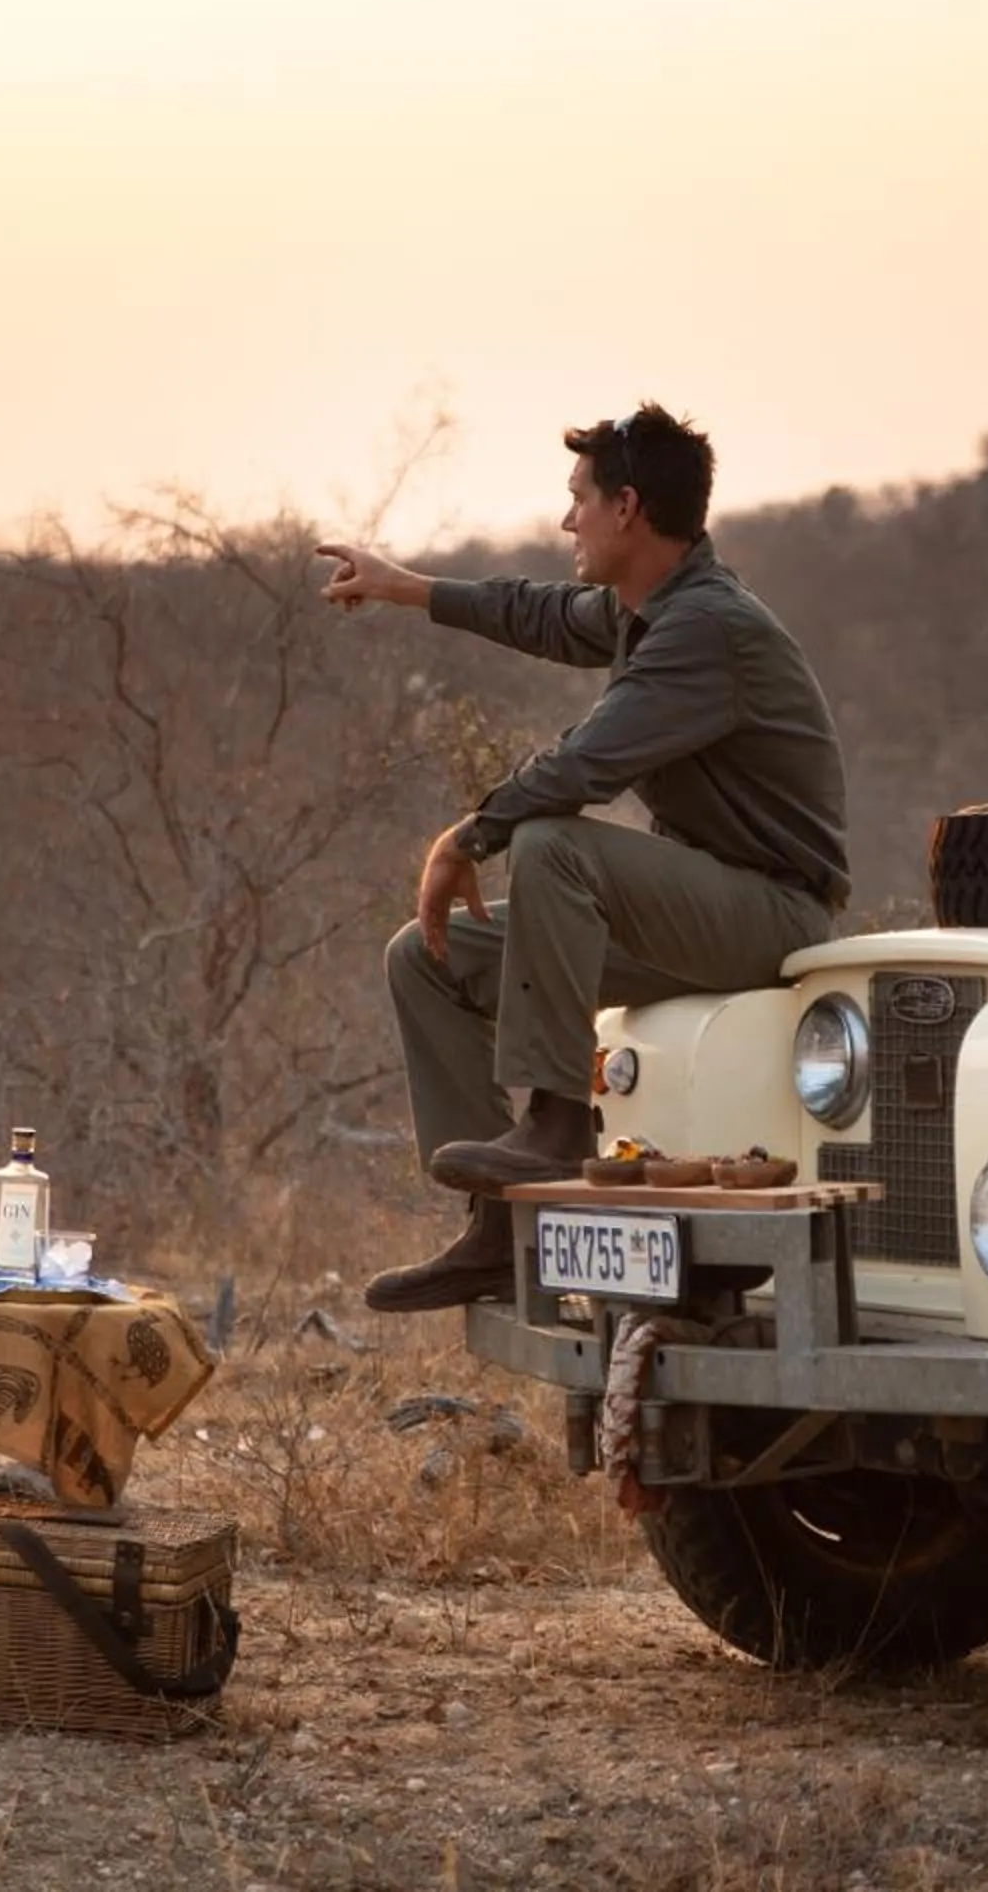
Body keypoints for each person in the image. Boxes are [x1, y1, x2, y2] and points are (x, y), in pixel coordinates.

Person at [319, 403, 850, 1311]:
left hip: (772, 916)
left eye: (580, 500)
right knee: (426, 957)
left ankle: (558, 1127)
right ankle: (499, 1234)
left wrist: (467, 836)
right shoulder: (647, 608)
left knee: (553, 841)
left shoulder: (707, 629)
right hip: (697, 915)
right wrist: (407, 587)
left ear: (627, 508)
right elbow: (539, 613)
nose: (568, 520)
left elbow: (585, 763)